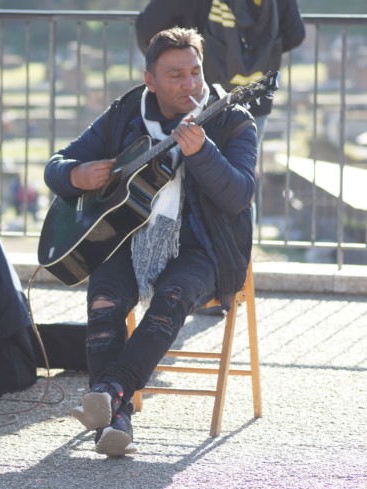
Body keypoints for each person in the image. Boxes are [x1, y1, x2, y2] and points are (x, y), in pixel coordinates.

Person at [43, 27, 256, 456]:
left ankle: (111, 392)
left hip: (205, 248)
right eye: (175, 75)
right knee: (103, 301)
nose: (190, 83)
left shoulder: (231, 119)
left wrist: (202, 153)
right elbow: (56, 165)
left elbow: (239, 195)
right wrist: (75, 175)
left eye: (195, 71)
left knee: (171, 297)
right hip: (125, 240)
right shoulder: (126, 113)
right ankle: (116, 421)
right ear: (150, 80)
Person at [135, 0, 305, 146]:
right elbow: (295, 33)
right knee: (242, 168)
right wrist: (260, 57)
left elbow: (148, 29)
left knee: (190, 168)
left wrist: (178, 67)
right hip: (256, 95)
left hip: (199, 100)